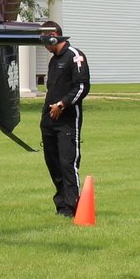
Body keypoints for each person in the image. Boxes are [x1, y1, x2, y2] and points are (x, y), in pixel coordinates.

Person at [40, 20, 90, 218]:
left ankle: (72, 206)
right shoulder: (54, 60)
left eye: (44, 38)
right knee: (53, 163)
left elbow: (82, 87)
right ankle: (61, 204)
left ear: (54, 34)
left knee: (67, 163)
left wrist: (62, 104)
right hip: (49, 121)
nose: (43, 44)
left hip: (67, 121)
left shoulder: (75, 57)